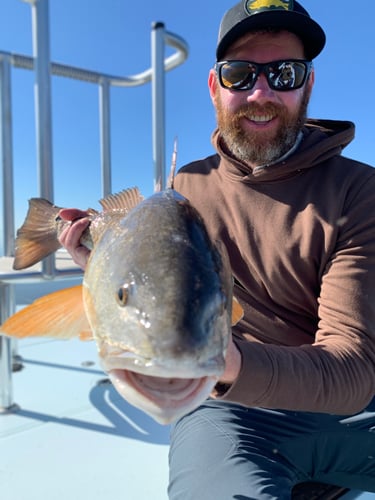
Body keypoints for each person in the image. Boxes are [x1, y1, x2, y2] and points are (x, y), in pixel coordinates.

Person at [59, 1, 375, 498]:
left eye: (285, 73)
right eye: (240, 74)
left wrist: (221, 359)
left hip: (347, 414)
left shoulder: (360, 192)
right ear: (215, 87)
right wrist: (104, 262)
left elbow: (353, 368)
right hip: (230, 411)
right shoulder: (188, 184)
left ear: (308, 85)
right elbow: (155, 274)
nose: (261, 92)